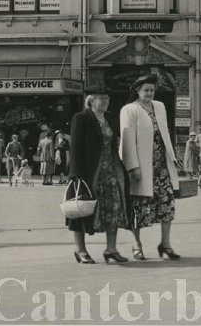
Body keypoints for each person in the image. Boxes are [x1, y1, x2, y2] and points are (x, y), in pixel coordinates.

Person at [120, 75, 181, 260]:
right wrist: (132, 167)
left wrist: (173, 158)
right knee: (139, 207)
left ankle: (165, 244)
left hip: (162, 166)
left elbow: (165, 133)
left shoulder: (160, 106)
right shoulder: (129, 109)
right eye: (145, 89)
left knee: (167, 205)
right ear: (137, 91)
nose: (149, 93)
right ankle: (136, 244)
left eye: (152, 90)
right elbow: (127, 140)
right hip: (142, 167)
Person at [68, 93, 130, 264]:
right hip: (89, 172)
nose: (105, 102)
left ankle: (111, 249)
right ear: (90, 101)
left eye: (107, 99)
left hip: (110, 171)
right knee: (81, 208)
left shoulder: (109, 118)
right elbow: (75, 147)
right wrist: (75, 174)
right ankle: (80, 250)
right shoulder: (81, 118)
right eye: (101, 98)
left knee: (114, 208)